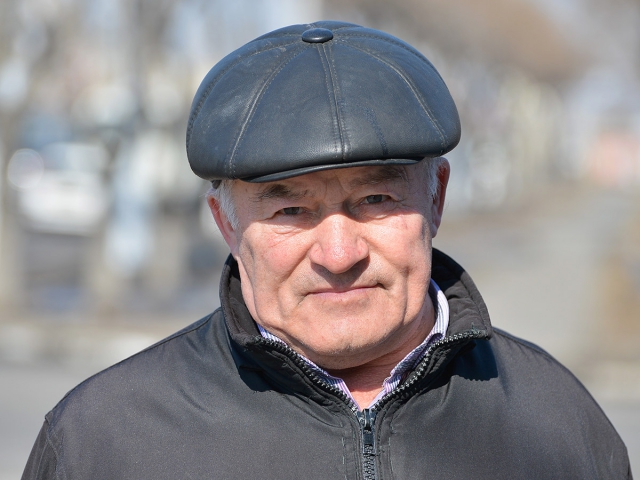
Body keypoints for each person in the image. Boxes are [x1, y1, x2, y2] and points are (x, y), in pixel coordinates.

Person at [23, 21, 632, 480]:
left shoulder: (557, 426)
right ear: (226, 224)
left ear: (437, 198)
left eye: (375, 200)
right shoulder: (102, 442)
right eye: (291, 211)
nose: (339, 255)